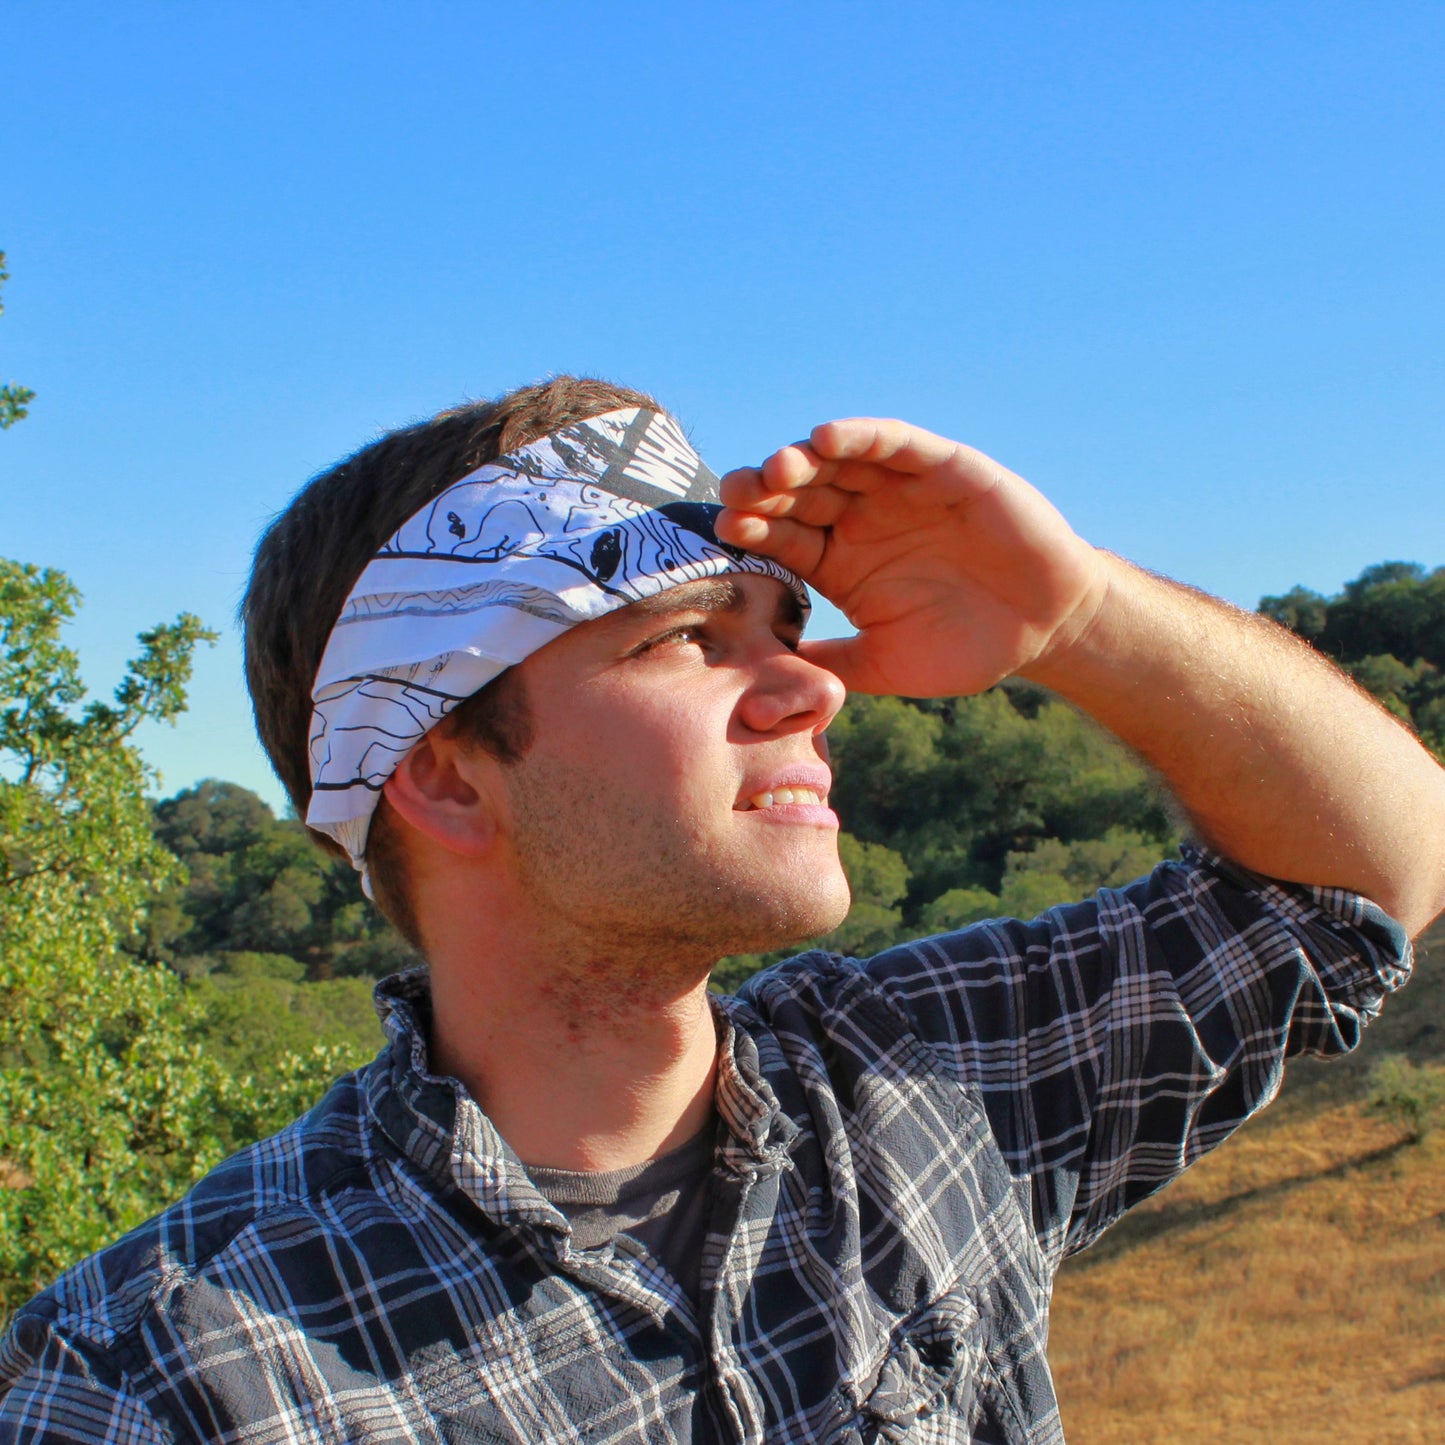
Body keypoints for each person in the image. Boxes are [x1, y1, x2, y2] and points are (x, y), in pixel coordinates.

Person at [1, 375, 1442, 1444]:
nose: (815, 685)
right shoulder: (166, 1373)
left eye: (782, 624)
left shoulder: (917, 1083)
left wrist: (1077, 618)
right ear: (444, 776)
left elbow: (1372, 870)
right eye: (688, 637)